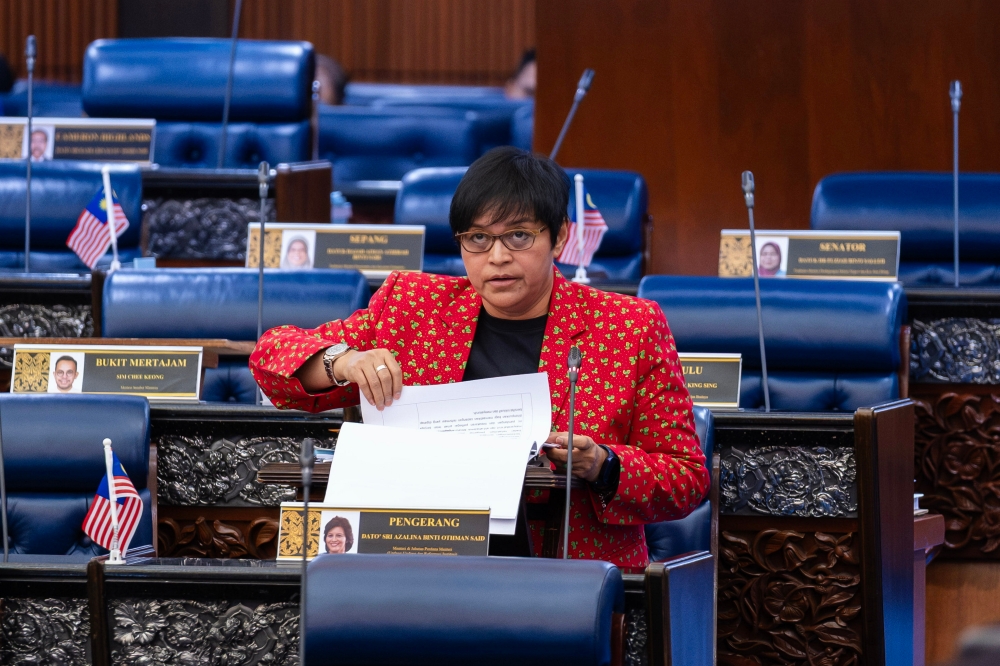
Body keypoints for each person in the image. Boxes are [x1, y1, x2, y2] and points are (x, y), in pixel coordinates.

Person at [250, 146, 708, 570]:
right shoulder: (413, 307)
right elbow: (271, 357)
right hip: (416, 562)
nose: (498, 257)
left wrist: (604, 464)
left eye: (519, 236)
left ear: (561, 237)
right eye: (477, 239)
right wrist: (344, 362)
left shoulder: (628, 327)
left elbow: (686, 478)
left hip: (566, 577)